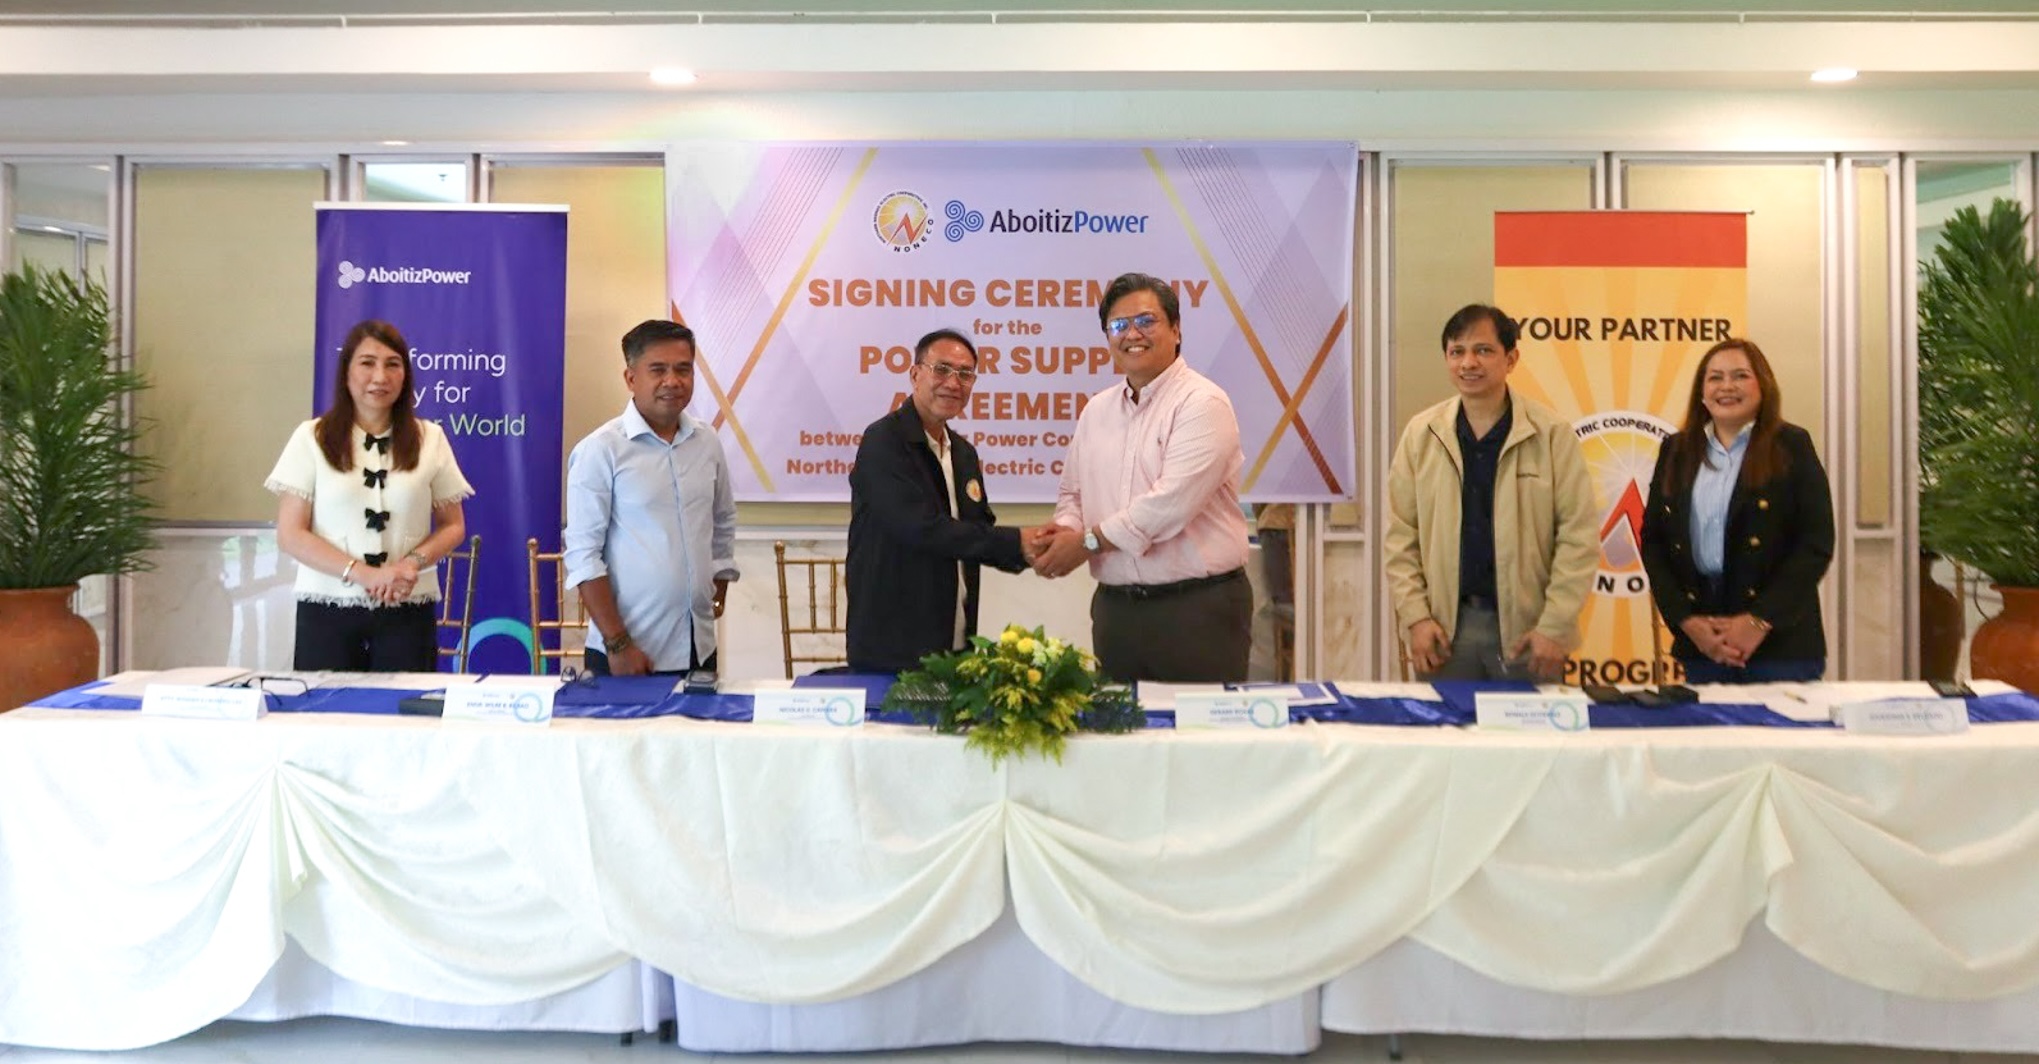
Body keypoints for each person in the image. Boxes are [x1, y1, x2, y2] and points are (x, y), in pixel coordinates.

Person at [1034, 272, 1252, 683]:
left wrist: (1084, 543)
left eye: (1146, 321)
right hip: (1117, 612)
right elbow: (1072, 495)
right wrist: (1061, 535)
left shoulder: (1202, 403)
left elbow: (1167, 506)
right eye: (1118, 325)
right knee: (1121, 741)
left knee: (1198, 742)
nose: (1132, 334)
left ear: (1175, 329)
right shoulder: (1096, 410)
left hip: (1196, 610)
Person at [1384, 304, 1598, 681]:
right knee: (1449, 738)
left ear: (1511, 358)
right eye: (1457, 352)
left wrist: (1555, 626)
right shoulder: (1422, 434)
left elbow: (1577, 536)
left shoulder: (1550, 434)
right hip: (1446, 631)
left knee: (1531, 739)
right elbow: (1400, 536)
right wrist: (1416, 617)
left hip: (1529, 632)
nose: (1469, 362)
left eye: (1483, 350)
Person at [268, 319, 472, 671]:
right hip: (327, 609)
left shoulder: (431, 438)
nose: (380, 376)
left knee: (405, 718)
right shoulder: (310, 438)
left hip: (407, 606)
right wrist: (364, 573)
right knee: (328, 718)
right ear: (346, 372)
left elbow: (453, 526)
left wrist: (411, 564)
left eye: (392, 364)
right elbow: (290, 533)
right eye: (367, 363)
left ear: (405, 375)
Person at [846, 328, 1041, 673]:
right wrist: (1019, 543)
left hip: (956, 640)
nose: (954, 383)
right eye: (942, 370)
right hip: (893, 645)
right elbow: (921, 529)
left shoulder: (964, 453)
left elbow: (978, 530)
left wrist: (1035, 551)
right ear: (915, 374)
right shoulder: (883, 442)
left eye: (965, 374)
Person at [1640, 338, 1833, 683]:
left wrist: (1758, 621)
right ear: (1702, 391)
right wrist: (1686, 621)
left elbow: (1815, 543)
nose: (1726, 386)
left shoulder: (1792, 445)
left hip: (1780, 646)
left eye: (1740, 376)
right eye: (1715, 378)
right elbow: (1654, 542)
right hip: (1704, 643)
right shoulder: (1676, 450)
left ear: (1763, 385)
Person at [562, 320, 737, 676]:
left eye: (683, 369)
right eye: (658, 370)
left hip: (699, 647)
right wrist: (618, 644)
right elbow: (583, 555)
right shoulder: (601, 450)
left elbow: (722, 522)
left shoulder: (707, 442)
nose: (672, 381)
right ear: (631, 378)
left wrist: (714, 594)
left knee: (698, 733)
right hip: (627, 653)